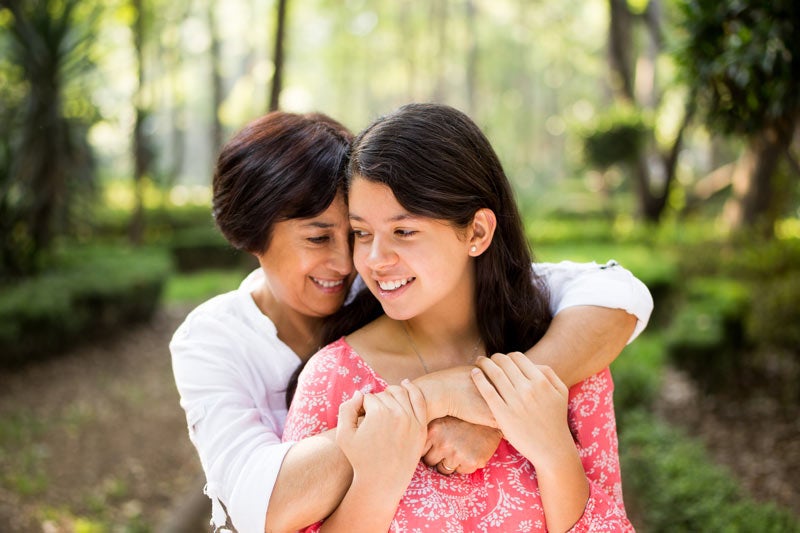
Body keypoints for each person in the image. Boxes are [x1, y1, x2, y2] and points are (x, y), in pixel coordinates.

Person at [170, 110, 652, 533]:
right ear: (251, 239)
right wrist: (426, 404)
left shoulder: (552, 342)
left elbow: (611, 290)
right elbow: (259, 505)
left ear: (478, 231)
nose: (357, 261)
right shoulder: (230, 348)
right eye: (325, 237)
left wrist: (502, 408)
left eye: (397, 230)